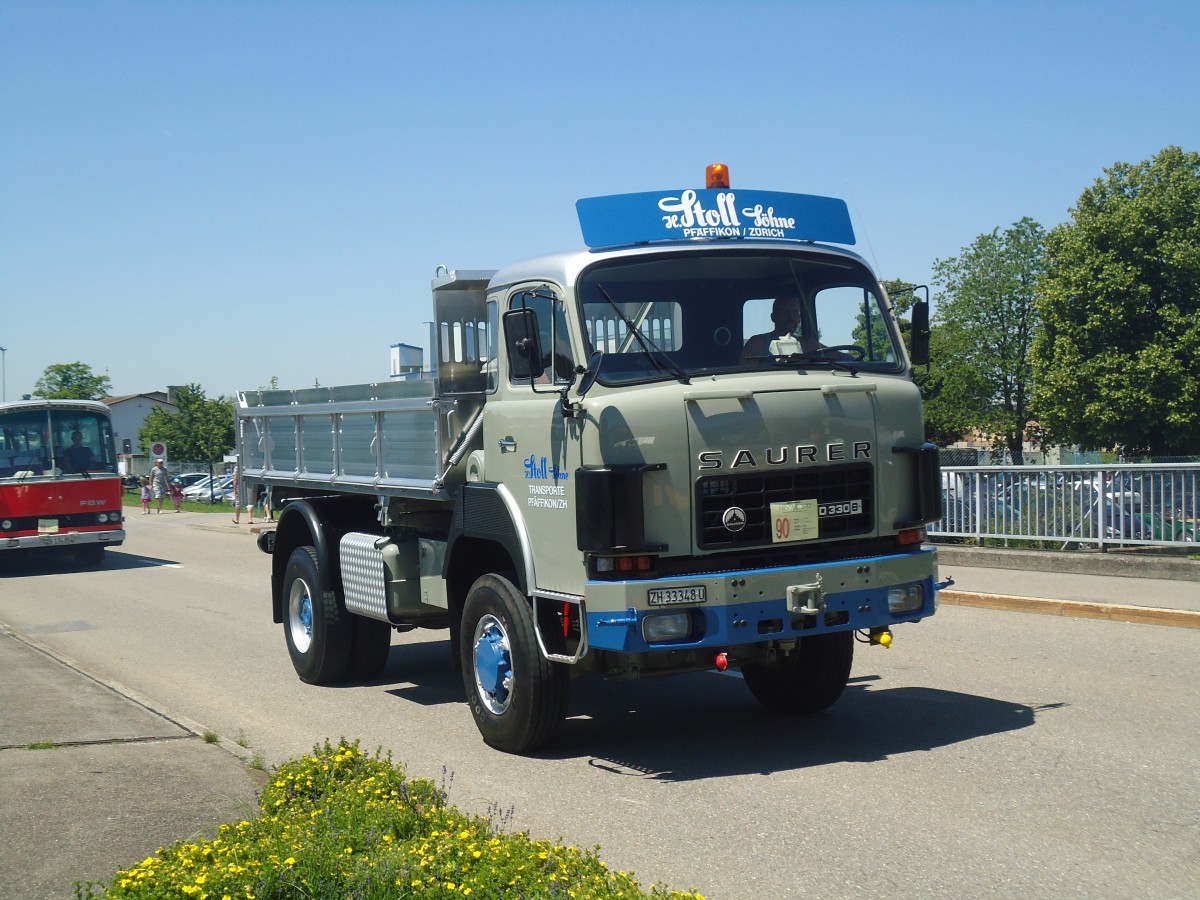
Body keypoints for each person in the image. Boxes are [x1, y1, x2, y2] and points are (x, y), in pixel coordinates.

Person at [740, 293, 821, 362]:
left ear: (799, 318)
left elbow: (830, 354)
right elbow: (744, 375)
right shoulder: (757, 343)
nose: (791, 316)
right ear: (773, 317)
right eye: (785, 312)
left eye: (795, 312)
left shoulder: (808, 344)